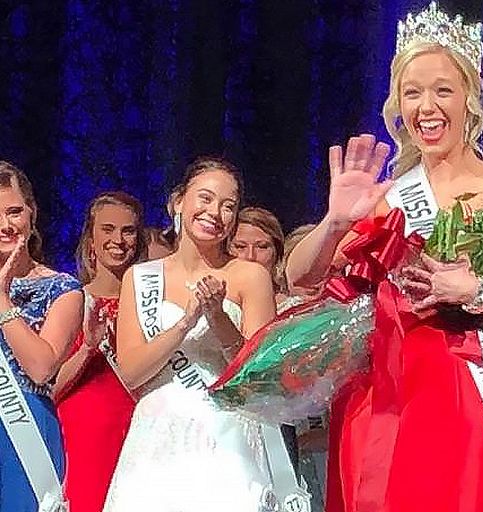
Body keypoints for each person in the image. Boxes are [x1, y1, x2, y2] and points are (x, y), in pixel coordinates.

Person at [286, 4, 483, 511]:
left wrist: (477, 292)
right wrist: (335, 222)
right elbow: (301, 276)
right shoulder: (387, 194)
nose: (427, 106)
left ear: (469, 99)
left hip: (468, 393)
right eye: (412, 92)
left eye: (443, 90)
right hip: (382, 399)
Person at [103, 157, 302, 511]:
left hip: (226, 438)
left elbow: (258, 377)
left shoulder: (249, 277)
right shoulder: (140, 277)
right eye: (205, 199)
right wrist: (184, 323)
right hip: (159, 440)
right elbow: (131, 373)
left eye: (228, 206)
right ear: (179, 201)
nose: (215, 213)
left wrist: (217, 317)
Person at [54, 192, 146, 512]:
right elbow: (49, 389)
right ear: (91, 239)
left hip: (139, 432)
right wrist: (88, 350)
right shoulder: (68, 302)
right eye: (107, 229)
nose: (118, 240)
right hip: (82, 439)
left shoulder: (150, 305)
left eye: (128, 231)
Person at [0, 161, 83, 512]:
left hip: (24, 431)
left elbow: (41, 366)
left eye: (15, 211)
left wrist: (1, 298)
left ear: (32, 214)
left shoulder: (62, 289)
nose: (5, 225)